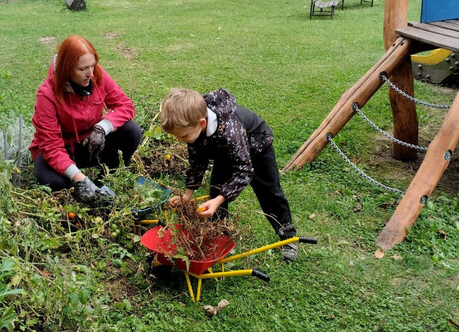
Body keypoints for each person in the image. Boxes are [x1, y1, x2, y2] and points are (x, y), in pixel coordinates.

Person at [160, 88, 298, 260]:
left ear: (202, 123)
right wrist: (187, 195)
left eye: (184, 136)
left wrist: (220, 199)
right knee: (216, 189)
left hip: (256, 144)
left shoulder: (230, 130)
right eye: (178, 137)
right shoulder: (193, 125)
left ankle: (288, 237)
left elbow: (244, 170)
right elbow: (197, 162)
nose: (181, 140)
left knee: (269, 191)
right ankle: (220, 235)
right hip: (224, 150)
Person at [29, 35, 142, 203]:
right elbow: (51, 146)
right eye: (82, 69)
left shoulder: (97, 75)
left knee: (132, 132)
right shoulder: (47, 94)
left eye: (92, 65)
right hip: (60, 150)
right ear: (66, 69)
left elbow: (125, 106)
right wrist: (80, 179)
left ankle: (104, 181)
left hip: (90, 144)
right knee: (55, 182)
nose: (90, 73)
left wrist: (102, 128)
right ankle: (80, 182)